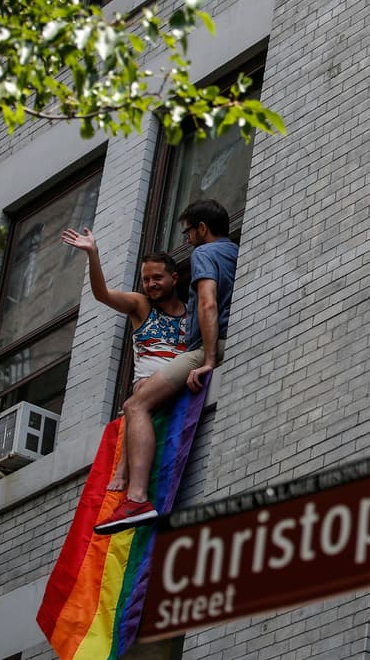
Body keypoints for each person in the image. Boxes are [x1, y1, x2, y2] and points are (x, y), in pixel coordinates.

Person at [94, 200, 239, 534]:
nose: (188, 240)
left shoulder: (205, 254)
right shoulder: (234, 252)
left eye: (189, 231)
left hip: (209, 346)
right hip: (230, 340)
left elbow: (207, 302)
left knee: (136, 404)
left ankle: (137, 499)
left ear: (202, 229)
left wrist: (208, 359)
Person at [61, 229, 187, 491]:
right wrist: (93, 254)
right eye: (146, 279)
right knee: (140, 392)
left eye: (157, 278)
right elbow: (102, 294)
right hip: (148, 385)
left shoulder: (191, 312)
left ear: (174, 278)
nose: (150, 284)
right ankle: (124, 472)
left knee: (138, 398)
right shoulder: (141, 305)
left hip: (178, 381)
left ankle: (124, 472)